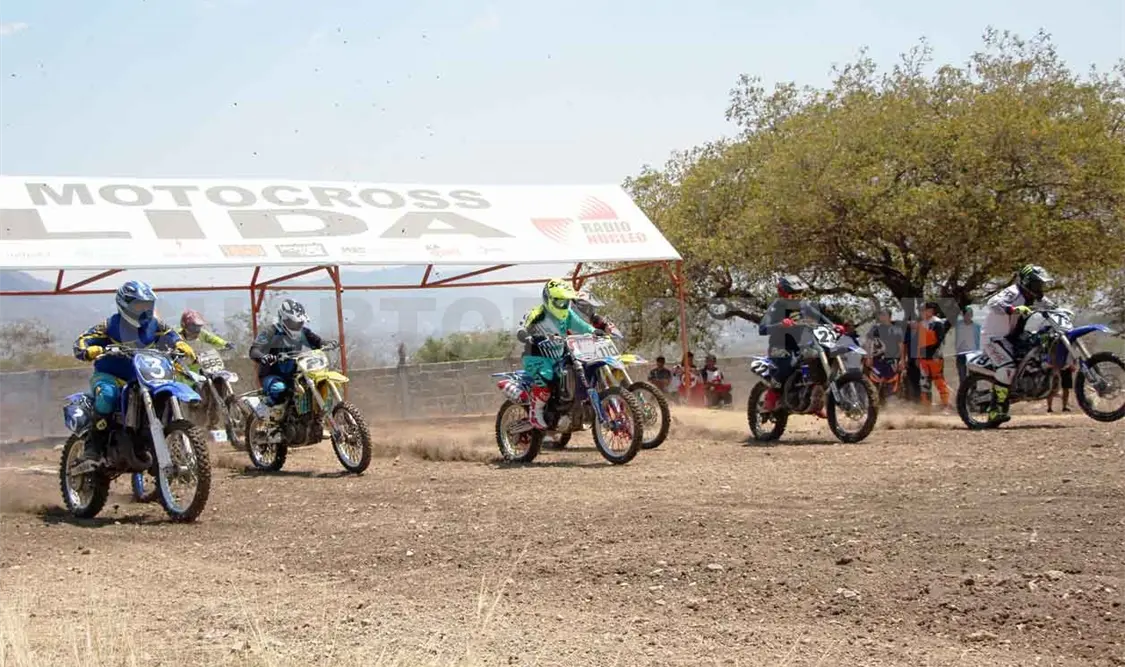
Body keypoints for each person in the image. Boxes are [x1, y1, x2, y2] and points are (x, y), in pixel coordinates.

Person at [72, 280, 196, 464]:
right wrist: (87, 350)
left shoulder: (155, 325)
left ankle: (158, 443)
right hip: (111, 377)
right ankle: (93, 448)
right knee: (107, 395)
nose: (144, 311)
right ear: (125, 305)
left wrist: (180, 344)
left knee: (165, 392)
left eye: (148, 306)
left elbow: (171, 334)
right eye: (139, 306)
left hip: (143, 377)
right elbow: (83, 340)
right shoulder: (110, 325)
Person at [516, 279, 596, 429]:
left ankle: (570, 408)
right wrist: (524, 334)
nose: (563, 305)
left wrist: (594, 331)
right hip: (536, 357)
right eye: (559, 302)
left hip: (559, 355)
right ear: (548, 299)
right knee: (546, 379)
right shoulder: (537, 313)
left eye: (565, 302)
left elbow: (582, 326)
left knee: (578, 371)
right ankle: (536, 411)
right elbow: (522, 326)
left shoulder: (568, 314)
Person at [981, 264, 1056, 423]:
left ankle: (1026, 385)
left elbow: (1053, 307)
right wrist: (1013, 309)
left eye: (1041, 284)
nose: (1040, 287)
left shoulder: (1036, 297)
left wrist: (1061, 312)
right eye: (1037, 283)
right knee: (1007, 367)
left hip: (1013, 337)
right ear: (1027, 282)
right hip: (994, 338)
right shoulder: (1012, 292)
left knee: (1037, 350)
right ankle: (994, 409)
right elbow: (993, 302)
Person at [758, 275, 843, 413]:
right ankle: (772, 395)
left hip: (802, 345)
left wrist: (834, 326)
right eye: (793, 295)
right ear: (783, 294)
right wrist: (780, 324)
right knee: (788, 364)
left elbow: (821, 318)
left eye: (800, 294)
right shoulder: (775, 307)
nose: (797, 298)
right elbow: (762, 328)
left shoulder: (805, 305)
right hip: (780, 347)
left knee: (822, 354)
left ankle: (815, 396)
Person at [248, 299, 329, 408]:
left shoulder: (303, 332)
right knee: (280, 388)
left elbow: (317, 341)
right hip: (272, 375)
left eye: (299, 322)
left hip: (295, 375)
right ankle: (269, 412)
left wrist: (327, 344)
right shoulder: (270, 331)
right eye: (293, 322)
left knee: (315, 384)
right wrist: (264, 357)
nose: (297, 326)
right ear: (283, 319)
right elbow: (254, 350)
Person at [917, 301, 953, 411]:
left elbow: (940, 340)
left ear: (931, 311)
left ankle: (946, 405)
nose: (922, 312)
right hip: (923, 358)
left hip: (935, 357)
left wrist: (933, 352)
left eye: (924, 310)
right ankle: (925, 408)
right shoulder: (921, 323)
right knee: (924, 382)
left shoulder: (937, 323)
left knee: (939, 381)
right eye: (921, 310)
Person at [178, 309, 234, 374]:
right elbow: (169, 343)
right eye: (193, 327)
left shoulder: (202, 333)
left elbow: (213, 339)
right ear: (184, 325)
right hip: (185, 367)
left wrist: (225, 343)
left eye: (198, 327)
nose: (196, 330)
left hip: (202, 363)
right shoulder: (177, 336)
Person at [1046, 338, 1075, 413]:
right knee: (1052, 388)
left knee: (1066, 388)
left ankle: (1064, 407)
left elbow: (1072, 354)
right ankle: (1049, 408)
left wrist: (1072, 364)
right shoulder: (1054, 341)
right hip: (1055, 367)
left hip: (1066, 366)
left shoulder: (1070, 342)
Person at [954, 307, 981, 385]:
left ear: (972, 315)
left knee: (973, 376)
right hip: (960, 354)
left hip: (973, 354)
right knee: (962, 377)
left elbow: (980, 340)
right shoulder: (957, 325)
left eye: (970, 314)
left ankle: (972, 394)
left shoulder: (977, 326)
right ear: (963, 315)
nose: (968, 316)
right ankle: (963, 395)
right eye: (966, 314)